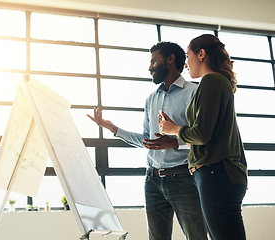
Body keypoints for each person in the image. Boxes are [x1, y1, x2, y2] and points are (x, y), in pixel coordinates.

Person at [87, 42, 208, 240]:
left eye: (153, 61)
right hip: (152, 181)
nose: (150, 67)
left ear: (170, 59)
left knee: (197, 237)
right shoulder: (151, 99)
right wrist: (114, 129)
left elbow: (202, 138)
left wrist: (174, 142)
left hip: (184, 178)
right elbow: (147, 140)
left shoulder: (194, 93)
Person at [159, 34, 247, 240]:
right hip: (220, 175)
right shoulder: (217, 82)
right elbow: (206, 133)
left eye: (188, 56)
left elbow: (201, 134)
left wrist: (173, 129)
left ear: (201, 54)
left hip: (216, 174)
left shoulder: (211, 81)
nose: (186, 64)